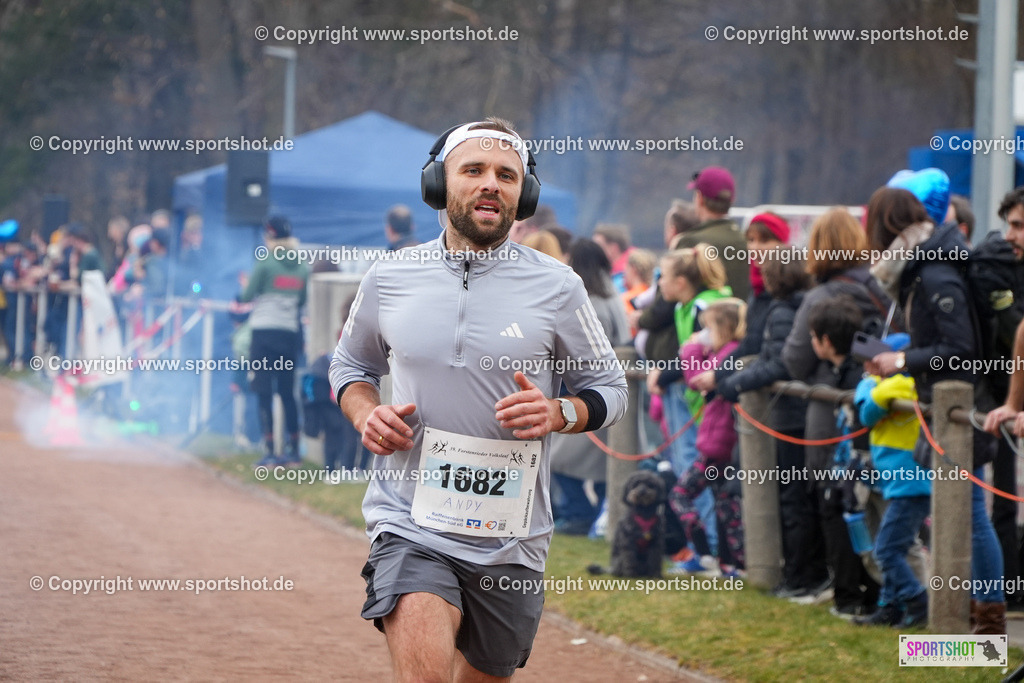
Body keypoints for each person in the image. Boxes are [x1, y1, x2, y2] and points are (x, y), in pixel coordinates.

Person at [330, 118, 628, 681]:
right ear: (439, 185)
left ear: (525, 195)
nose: (491, 183)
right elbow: (352, 365)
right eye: (474, 170)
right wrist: (366, 412)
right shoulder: (390, 276)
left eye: (506, 175)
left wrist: (562, 412)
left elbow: (611, 389)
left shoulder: (559, 286)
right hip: (410, 518)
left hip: (511, 539)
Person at [865, 185, 1006, 633]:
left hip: (961, 406)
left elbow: (959, 348)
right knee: (966, 514)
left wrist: (902, 360)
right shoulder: (923, 266)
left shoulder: (934, 270)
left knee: (971, 516)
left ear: (885, 226)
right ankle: (970, 618)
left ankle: (985, 626)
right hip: (944, 406)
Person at [781, 207, 893, 615]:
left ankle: (850, 594)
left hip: (832, 417)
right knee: (878, 508)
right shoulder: (883, 287)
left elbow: (793, 361)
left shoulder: (820, 296)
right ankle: (883, 594)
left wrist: (835, 362)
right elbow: (887, 350)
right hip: (881, 412)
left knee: (836, 505)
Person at [716, 247, 826, 599]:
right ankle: (802, 573)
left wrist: (735, 383)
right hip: (797, 414)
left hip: (788, 417)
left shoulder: (782, 309)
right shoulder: (800, 303)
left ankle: (800, 577)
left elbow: (777, 362)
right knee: (798, 498)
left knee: (793, 500)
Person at [646, 245, 731, 562]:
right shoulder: (685, 307)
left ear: (681, 281)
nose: (659, 285)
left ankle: (709, 548)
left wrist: (666, 374)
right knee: (689, 473)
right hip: (694, 405)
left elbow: (710, 356)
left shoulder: (704, 308)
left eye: (663, 277)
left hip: (707, 409)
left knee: (699, 477)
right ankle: (700, 549)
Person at [549, 238, 630, 535]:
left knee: (560, 458)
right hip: (613, 393)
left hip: (592, 392)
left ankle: (582, 514)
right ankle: (591, 515)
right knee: (596, 466)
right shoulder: (613, 297)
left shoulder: (591, 303)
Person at [668, 298, 746, 577]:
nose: (705, 336)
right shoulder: (724, 353)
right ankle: (729, 563)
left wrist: (690, 348)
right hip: (718, 444)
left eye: (709, 329)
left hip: (717, 446)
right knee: (725, 503)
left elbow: (694, 378)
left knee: (681, 494)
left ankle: (705, 554)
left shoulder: (729, 354)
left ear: (723, 329)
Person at [851, 360, 930, 627]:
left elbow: (867, 413)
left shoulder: (899, 384)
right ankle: (889, 606)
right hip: (900, 486)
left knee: (885, 550)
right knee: (892, 545)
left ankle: (917, 600)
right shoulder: (890, 387)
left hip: (911, 487)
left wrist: (869, 382)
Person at [240, 215, 310, 468]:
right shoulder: (302, 266)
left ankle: (269, 450)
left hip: (263, 334)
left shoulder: (265, 263)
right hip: (288, 334)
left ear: (269, 236)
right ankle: (293, 450)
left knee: (263, 392)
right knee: (286, 392)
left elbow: (247, 295)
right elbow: (301, 301)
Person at [673, 167, 750, 301]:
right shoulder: (747, 241)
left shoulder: (690, 242)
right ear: (731, 201)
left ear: (700, 198)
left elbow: (670, 296)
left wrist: (642, 320)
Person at [592, 223, 634, 295]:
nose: (592, 250)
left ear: (613, 247)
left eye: (598, 245)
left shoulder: (629, 273)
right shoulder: (607, 271)